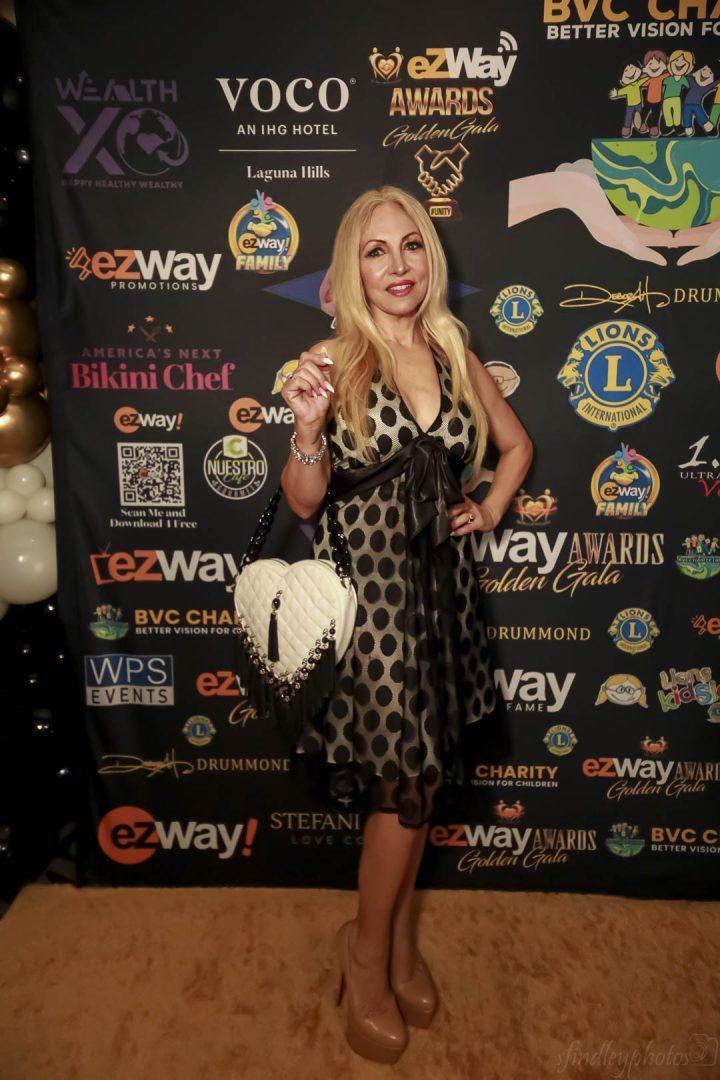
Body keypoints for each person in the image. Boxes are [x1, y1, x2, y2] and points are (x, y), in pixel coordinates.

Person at [278, 184, 532, 1063]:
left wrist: (489, 505)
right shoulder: (334, 359)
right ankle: (367, 958)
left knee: (417, 795)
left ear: (430, 257)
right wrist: (308, 430)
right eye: (376, 250)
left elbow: (517, 445)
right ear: (352, 268)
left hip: (444, 602)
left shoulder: (456, 352)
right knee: (407, 792)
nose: (398, 265)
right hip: (373, 614)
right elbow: (303, 499)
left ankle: (391, 942)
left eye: (412, 245)